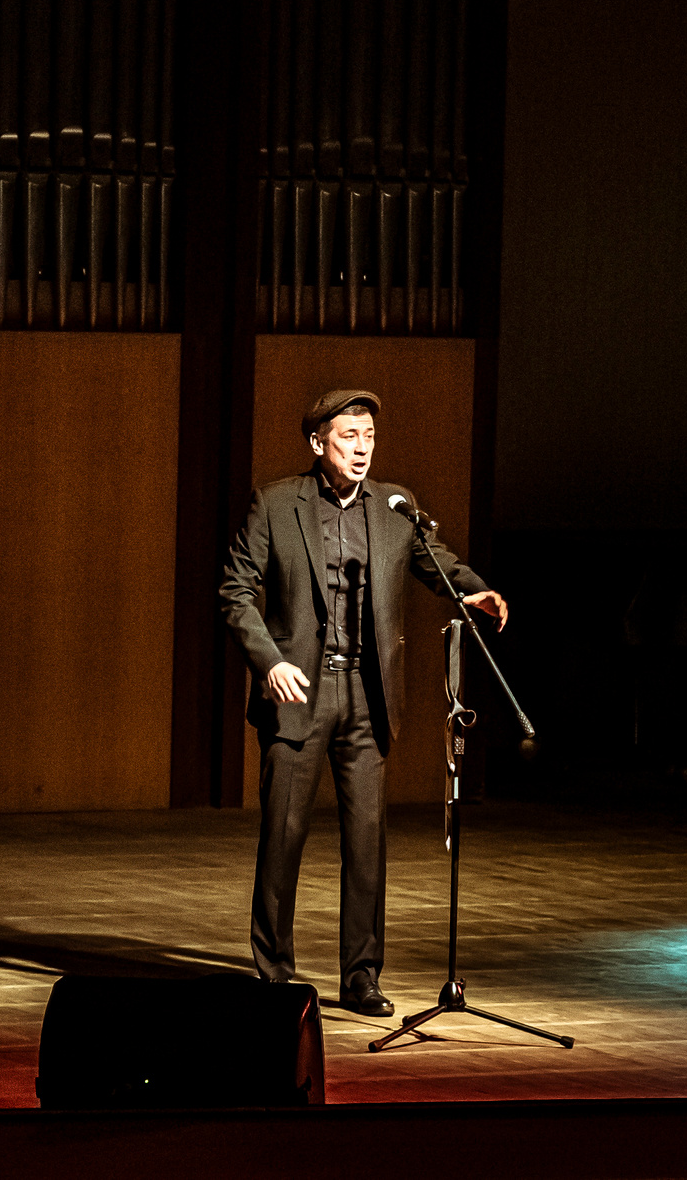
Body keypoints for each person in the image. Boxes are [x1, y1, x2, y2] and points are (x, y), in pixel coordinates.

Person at [219, 388, 510, 1015]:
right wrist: (269, 663)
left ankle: (362, 976)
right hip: (300, 691)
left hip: (367, 696)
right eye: (349, 436)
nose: (362, 448)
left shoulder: (394, 508)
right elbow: (236, 593)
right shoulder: (274, 503)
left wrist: (476, 593)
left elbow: (439, 564)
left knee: (366, 842)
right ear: (318, 442)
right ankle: (274, 976)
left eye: (370, 436)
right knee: (283, 836)